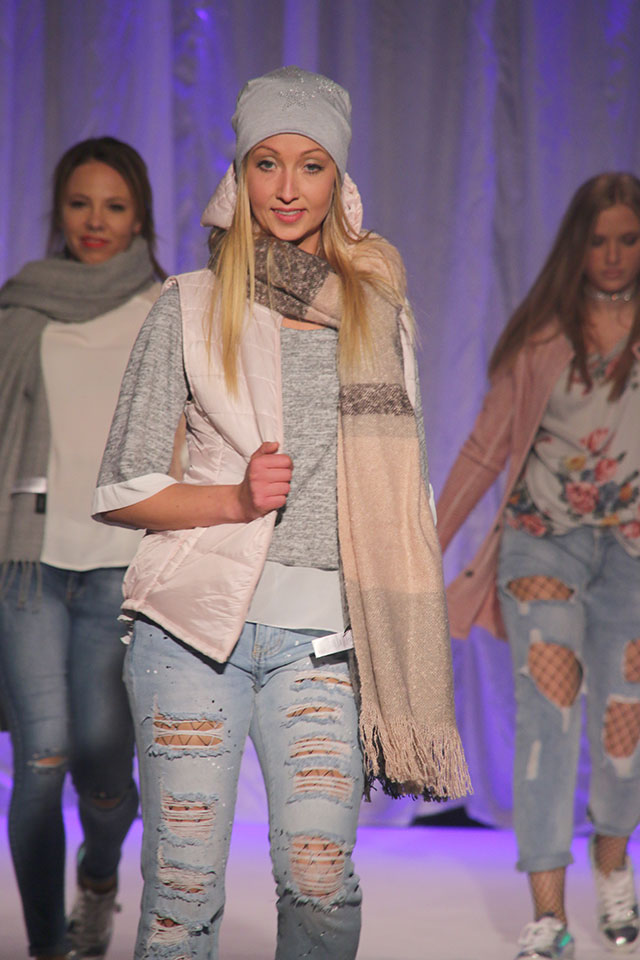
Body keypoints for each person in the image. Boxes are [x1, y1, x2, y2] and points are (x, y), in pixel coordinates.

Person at [92, 66, 470, 959]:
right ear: (241, 173)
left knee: (320, 882)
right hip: (189, 633)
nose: (288, 188)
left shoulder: (378, 312)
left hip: (323, 644)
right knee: (182, 895)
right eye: (267, 163)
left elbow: (404, 491)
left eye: (311, 165)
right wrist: (232, 497)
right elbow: (122, 486)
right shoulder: (187, 303)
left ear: (339, 179)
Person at [437, 172, 640, 959]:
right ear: (575, 245)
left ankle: (613, 862)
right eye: (598, 239)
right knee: (546, 722)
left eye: (628, 239)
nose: (613, 254)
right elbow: (485, 449)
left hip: (631, 553)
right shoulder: (542, 336)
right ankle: (549, 917)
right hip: (540, 541)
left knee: (623, 728)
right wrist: (425, 546)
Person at [0, 136, 166, 960]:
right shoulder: (23, 305)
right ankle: (46, 948)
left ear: (139, 217)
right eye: (79, 203)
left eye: (114, 206)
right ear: (59, 210)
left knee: (103, 772)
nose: (95, 222)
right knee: (40, 761)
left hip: (121, 570)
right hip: (28, 564)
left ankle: (98, 880)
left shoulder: (167, 310)